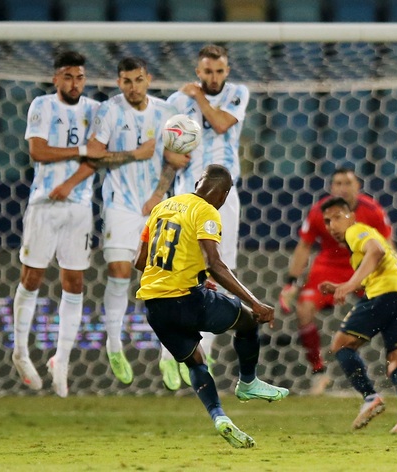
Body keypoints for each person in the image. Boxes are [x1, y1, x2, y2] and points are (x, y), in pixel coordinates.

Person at [135, 164, 289, 449]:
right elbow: (216, 264)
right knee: (247, 321)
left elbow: (140, 262)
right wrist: (255, 303)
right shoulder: (207, 211)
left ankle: (219, 417)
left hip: (155, 306)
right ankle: (248, 382)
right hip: (188, 300)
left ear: (197, 182)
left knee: (195, 362)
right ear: (225, 194)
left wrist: (194, 274)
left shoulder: (162, 206)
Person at [87, 57, 189, 386]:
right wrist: (134, 154)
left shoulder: (164, 113)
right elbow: (92, 155)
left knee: (164, 281)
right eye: (127, 81)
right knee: (119, 271)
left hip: (156, 205)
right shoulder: (108, 111)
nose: (133, 87)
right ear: (119, 82)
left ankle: (170, 356)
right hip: (120, 203)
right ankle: (114, 345)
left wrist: (160, 193)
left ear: (149, 79)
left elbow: (174, 161)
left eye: (139, 80)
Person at [12, 50, 103, 397]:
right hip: (43, 204)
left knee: (75, 282)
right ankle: (20, 350)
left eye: (79, 77)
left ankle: (60, 359)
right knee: (32, 277)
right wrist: (80, 153)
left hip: (78, 207)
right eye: (67, 76)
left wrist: (71, 182)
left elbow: (99, 158)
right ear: (56, 79)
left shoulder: (95, 110)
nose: (74, 83)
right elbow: (38, 151)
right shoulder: (42, 106)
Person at [158, 44, 250, 389]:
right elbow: (164, 146)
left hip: (223, 197)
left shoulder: (237, 94)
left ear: (227, 71)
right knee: (180, 270)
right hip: (185, 196)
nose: (214, 78)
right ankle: (170, 353)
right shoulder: (174, 103)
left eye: (219, 71)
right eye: (207, 72)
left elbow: (222, 124)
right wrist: (170, 156)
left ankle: (203, 351)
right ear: (198, 71)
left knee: (218, 269)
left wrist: (197, 97)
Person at [279, 167, 392, 394]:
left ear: (358, 186)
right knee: (304, 309)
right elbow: (304, 246)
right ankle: (318, 372)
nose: (342, 188)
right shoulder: (319, 211)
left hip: (362, 265)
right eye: (338, 183)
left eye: (347, 183)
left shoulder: (372, 210)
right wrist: (291, 281)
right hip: (329, 266)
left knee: (390, 311)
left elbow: (387, 245)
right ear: (331, 188)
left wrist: (389, 276)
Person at [318, 197, 397, 433]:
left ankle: (370, 397)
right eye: (327, 221)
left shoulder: (356, 231)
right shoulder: (365, 237)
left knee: (342, 345)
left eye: (337, 217)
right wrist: (342, 285)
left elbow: (375, 251)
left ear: (351, 217)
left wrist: (348, 284)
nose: (332, 225)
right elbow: (378, 259)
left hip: (386, 295)